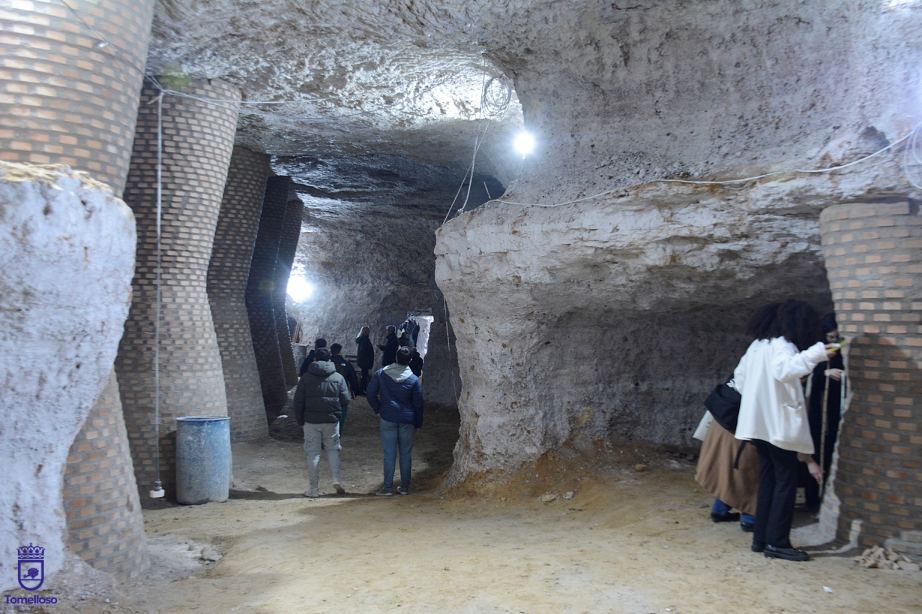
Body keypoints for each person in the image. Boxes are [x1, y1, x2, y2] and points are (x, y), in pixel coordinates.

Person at [733, 300, 836, 561]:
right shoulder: (782, 344)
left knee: (769, 481)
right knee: (785, 484)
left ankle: (761, 538)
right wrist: (819, 353)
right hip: (777, 428)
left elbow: (741, 379)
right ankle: (777, 543)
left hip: (757, 427)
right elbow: (785, 370)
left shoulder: (757, 345)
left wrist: (763, 399)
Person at [693, 379, 759, 532]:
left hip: (723, 418)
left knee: (726, 469)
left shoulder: (750, 360)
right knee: (749, 472)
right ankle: (750, 519)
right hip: (739, 425)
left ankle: (720, 510)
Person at [803, 313, 846, 512]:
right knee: (816, 451)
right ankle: (813, 498)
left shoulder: (841, 353)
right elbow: (804, 376)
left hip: (836, 408)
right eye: (830, 338)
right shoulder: (816, 352)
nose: (834, 343)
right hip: (817, 411)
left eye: (837, 338)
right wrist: (824, 373)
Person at [293, 347, 349, 497]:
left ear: (315, 359)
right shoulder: (338, 377)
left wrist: (300, 419)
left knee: (313, 453)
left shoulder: (305, 378)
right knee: (333, 450)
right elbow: (346, 399)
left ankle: (313, 489)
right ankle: (337, 479)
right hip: (331, 420)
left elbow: (298, 401)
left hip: (311, 421)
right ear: (330, 358)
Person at [367, 346, 424, 496]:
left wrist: (378, 408)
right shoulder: (413, 380)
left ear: (396, 358)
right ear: (410, 361)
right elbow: (418, 403)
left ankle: (387, 488)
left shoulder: (381, 374)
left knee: (389, 454)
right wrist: (418, 422)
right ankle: (404, 487)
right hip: (407, 419)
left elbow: (370, 394)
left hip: (388, 417)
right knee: (406, 454)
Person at [355, 326, 375, 394]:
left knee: (364, 376)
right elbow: (363, 352)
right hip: (365, 362)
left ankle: (362, 389)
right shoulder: (364, 339)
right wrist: (368, 361)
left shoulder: (364, 339)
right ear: (365, 332)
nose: (369, 332)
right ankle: (361, 390)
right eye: (368, 331)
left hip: (364, 361)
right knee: (364, 376)